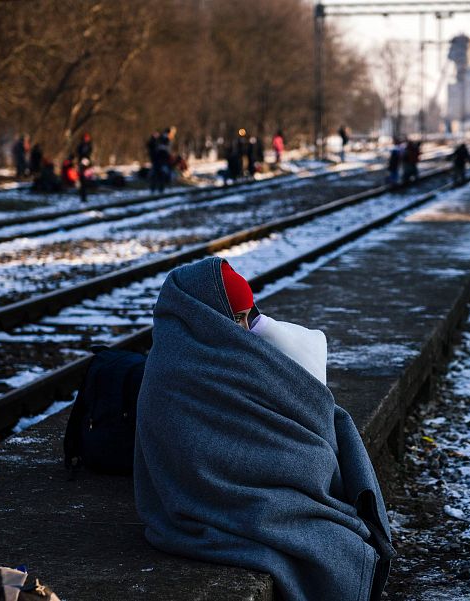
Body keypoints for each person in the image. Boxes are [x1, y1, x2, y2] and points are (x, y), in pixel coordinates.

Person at [134, 257, 394, 601]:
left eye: (247, 318)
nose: (243, 330)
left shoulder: (211, 350)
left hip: (237, 494)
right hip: (215, 501)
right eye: (236, 318)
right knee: (332, 532)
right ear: (204, 314)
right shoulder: (177, 370)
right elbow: (199, 453)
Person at [75, 133, 93, 202]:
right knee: (82, 181)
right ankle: (83, 197)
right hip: (82, 165)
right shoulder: (81, 146)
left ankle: (85, 196)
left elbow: (88, 154)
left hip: (87, 165)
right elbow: (79, 153)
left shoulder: (89, 145)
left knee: (86, 181)